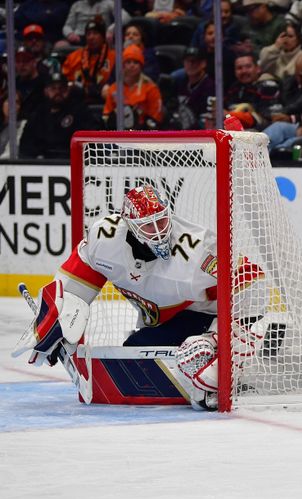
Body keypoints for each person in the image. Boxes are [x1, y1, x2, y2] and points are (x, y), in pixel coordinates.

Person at [18, 185, 225, 410]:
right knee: (133, 353)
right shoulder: (105, 239)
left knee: (166, 360)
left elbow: (249, 284)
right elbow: (72, 286)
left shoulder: (197, 250)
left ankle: (226, 360)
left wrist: (217, 337)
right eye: (147, 225)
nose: (158, 231)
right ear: (130, 225)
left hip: (208, 316)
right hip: (164, 321)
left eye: (161, 221)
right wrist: (56, 319)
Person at [19, 72, 98, 159]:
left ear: (68, 90)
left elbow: (90, 143)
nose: (58, 92)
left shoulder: (80, 112)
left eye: (62, 88)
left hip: (72, 163)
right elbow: (26, 146)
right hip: (43, 165)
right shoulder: (37, 115)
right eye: (53, 88)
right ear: (46, 91)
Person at [102, 45, 163, 130]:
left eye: (136, 62)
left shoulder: (151, 89)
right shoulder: (114, 89)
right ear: (123, 65)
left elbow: (156, 118)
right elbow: (106, 115)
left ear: (141, 66)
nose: (132, 65)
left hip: (143, 135)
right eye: (128, 62)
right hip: (118, 134)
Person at [61, 19, 116, 105]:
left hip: (105, 101)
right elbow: (65, 81)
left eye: (95, 33)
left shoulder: (115, 57)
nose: (91, 37)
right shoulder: (73, 57)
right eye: (88, 34)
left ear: (103, 36)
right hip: (77, 102)